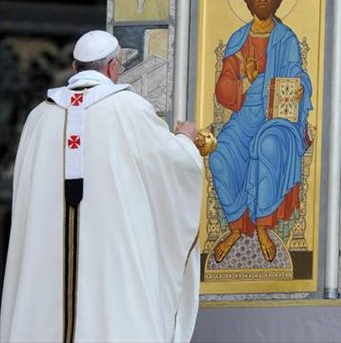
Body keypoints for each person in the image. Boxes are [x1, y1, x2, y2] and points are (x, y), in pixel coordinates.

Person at [0, 30, 203, 343]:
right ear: (113, 67)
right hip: (111, 266)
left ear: (73, 65)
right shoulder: (130, 110)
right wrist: (187, 142)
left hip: (44, 274)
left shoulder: (38, 119)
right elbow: (173, 167)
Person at [209, 0, 312, 263]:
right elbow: (223, 89)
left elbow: (297, 77)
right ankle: (237, 225)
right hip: (245, 116)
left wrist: (300, 86)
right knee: (219, 155)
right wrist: (246, 80)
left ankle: (263, 226)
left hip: (277, 120)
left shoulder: (287, 39)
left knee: (268, 146)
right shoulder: (239, 40)